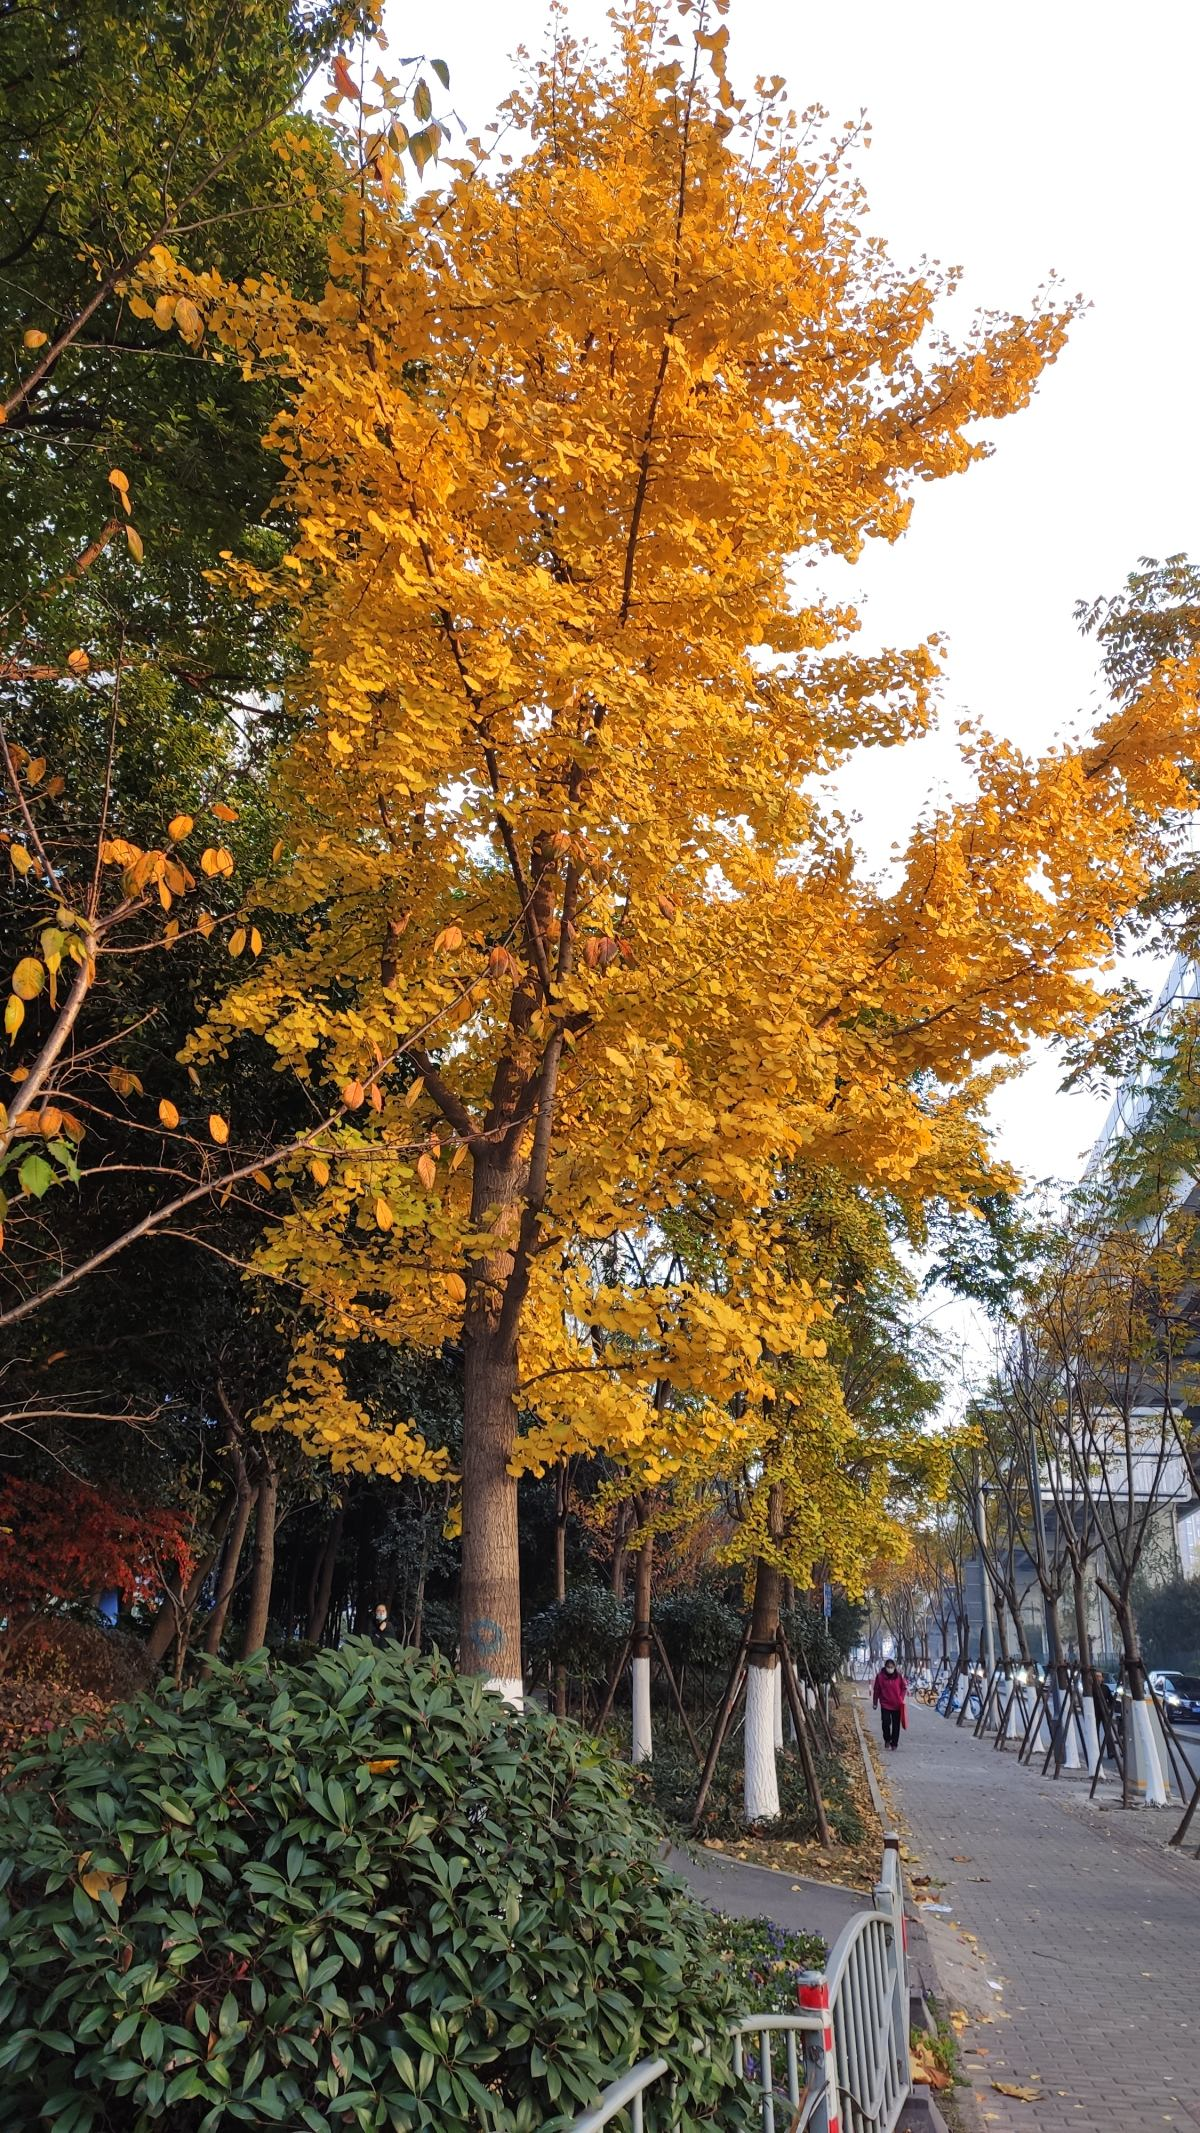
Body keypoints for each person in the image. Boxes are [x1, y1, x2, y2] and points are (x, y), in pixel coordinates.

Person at [872, 1657, 907, 1750]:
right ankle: (887, 1739)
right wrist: (875, 1702)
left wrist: (901, 1698)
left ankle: (894, 1743)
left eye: (892, 1667)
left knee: (896, 1725)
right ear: (885, 1667)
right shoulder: (880, 1676)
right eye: (888, 1667)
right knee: (885, 1723)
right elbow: (876, 1690)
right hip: (885, 1704)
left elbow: (904, 1688)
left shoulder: (898, 1676)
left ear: (894, 1667)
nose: (890, 1668)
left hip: (897, 1704)